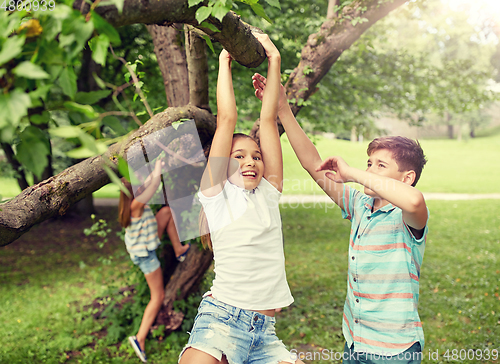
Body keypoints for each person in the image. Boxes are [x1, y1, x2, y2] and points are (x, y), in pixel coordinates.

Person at [253, 74, 429, 364]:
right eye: (368, 163)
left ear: (406, 178)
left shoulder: (407, 216)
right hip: (355, 341)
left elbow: (415, 200)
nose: (370, 169)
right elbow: (313, 163)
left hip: (394, 350)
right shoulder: (360, 205)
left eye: (380, 166)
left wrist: (355, 174)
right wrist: (283, 108)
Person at [178, 34, 304, 364]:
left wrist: (274, 59)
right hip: (222, 321)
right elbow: (227, 120)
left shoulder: (268, 192)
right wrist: (224, 61)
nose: (250, 161)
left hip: (264, 333)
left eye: (256, 156)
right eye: (239, 156)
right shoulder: (216, 197)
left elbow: (267, 120)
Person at [118, 159, 190, 363]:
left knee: (166, 212)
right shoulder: (136, 205)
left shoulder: (130, 203)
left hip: (148, 240)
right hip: (146, 257)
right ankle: (139, 338)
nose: (142, 185)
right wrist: (158, 165)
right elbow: (154, 183)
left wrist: (155, 166)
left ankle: (179, 250)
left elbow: (149, 181)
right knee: (157, 296)